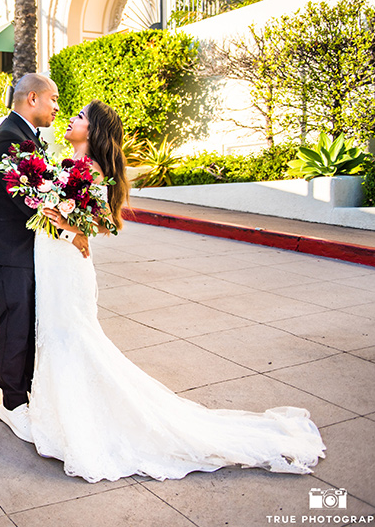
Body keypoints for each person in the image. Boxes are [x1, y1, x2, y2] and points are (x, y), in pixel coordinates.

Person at [28, 100, 326, 482]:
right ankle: (61, 416)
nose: (72, 119)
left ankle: (80, 425)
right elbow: (90, 221)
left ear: (95, 131)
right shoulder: (68, 164)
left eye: (81, 117)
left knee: (72, 338)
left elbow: (100, 225)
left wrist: (68, 226)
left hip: (67, 267)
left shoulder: (92, 170)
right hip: (55, 264)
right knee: (59, 336)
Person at [0, 73, 89, 443]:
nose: (58, 107)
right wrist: (71, 229)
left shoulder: (24, 137)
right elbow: (29, 202)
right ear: (33, 98)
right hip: (6, 254)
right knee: (14, 326)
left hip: (21, 253)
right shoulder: (9, 139)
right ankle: (10, 403)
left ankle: (21, 397)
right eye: (54, 99)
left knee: (24, 324)